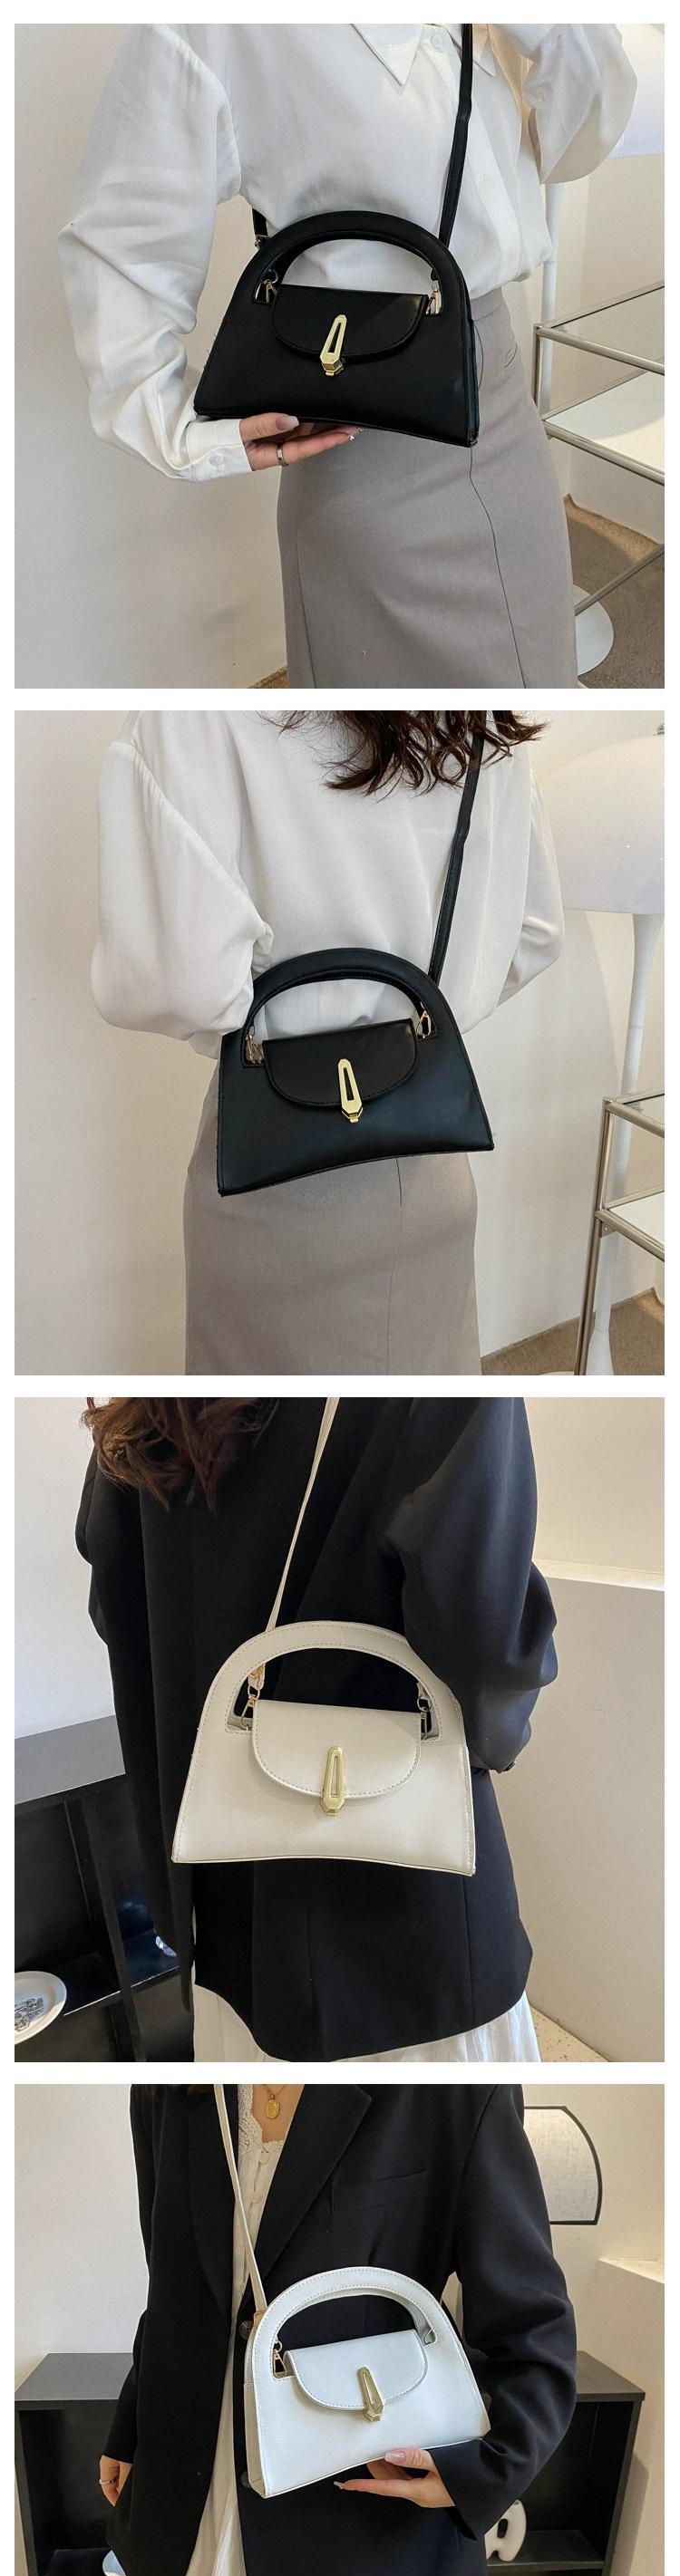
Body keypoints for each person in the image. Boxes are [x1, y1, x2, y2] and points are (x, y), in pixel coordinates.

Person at [59, 24, 636, 690]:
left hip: (502, 395)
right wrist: (181, 430)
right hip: (363, 434)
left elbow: (579, 141)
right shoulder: (220, 28)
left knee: (536, 685)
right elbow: (121, 244)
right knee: (380, 718)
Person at [76, 1393, 558, 2062]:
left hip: (222, 1919)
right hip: (407, 1942)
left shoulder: (143, 1410)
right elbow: (487, 1650)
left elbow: (120, 1615)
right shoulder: (426, 1377)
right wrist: (503, 1733)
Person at [102, 2080, 578, 2576]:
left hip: (347, 2536)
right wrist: (131, 2423)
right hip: (180, 2511)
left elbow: (533, 2328)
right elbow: (174, 2285)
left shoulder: (449, 2091)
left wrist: (486, 2470)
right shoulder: (172, 2082)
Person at [92, 708, 564, 1374]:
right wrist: (422, 1007)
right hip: (429, 1165)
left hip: (276, 1190)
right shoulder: (479, 722)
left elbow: (183, 984)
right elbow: (535, 932)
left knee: (252, 1412)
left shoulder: (189, 725)